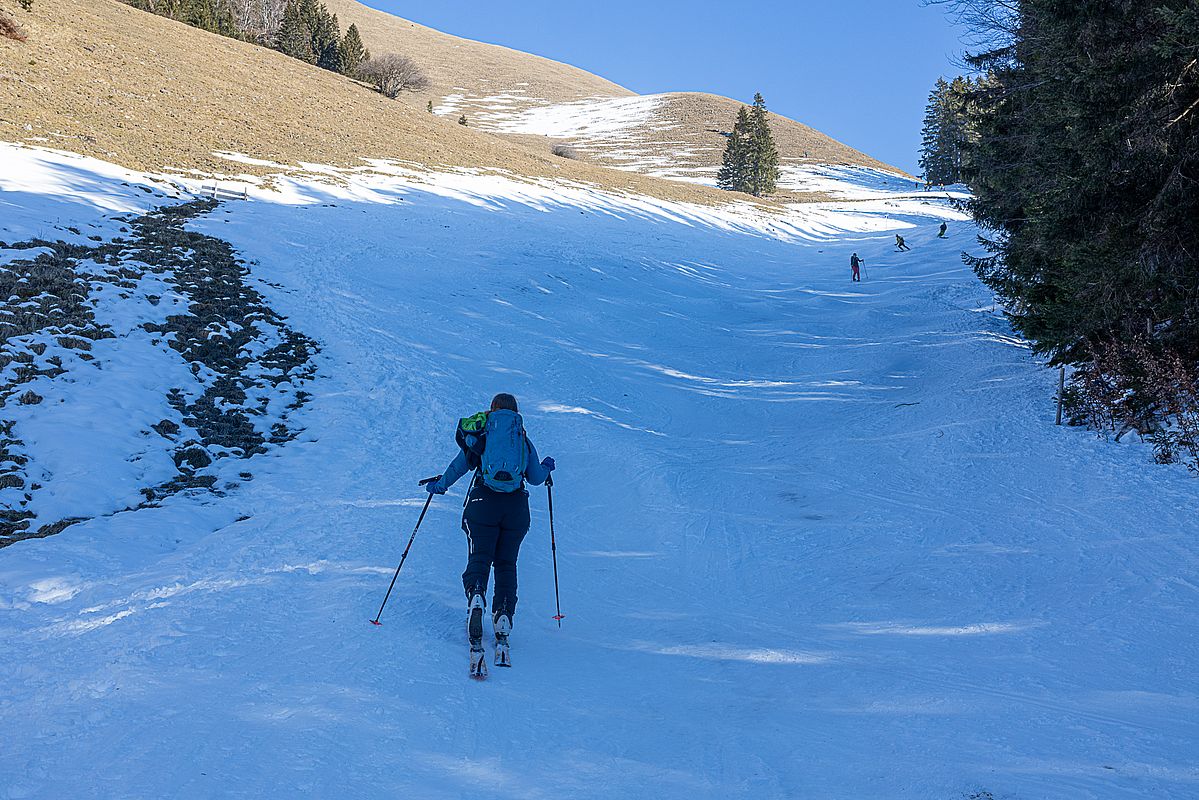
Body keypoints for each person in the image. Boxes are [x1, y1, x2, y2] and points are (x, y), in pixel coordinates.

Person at [425, 392, 555, 675]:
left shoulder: (482, 435)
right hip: (516, 509)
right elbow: (535, 478)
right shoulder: (522, 439)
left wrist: (441, 485)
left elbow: (460, 465)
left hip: (482, 503)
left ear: (492, 410)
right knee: (507, 563)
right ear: (516, 413)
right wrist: (546, 467)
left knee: (479, 557)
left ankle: (476, 597)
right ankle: (503, 614)